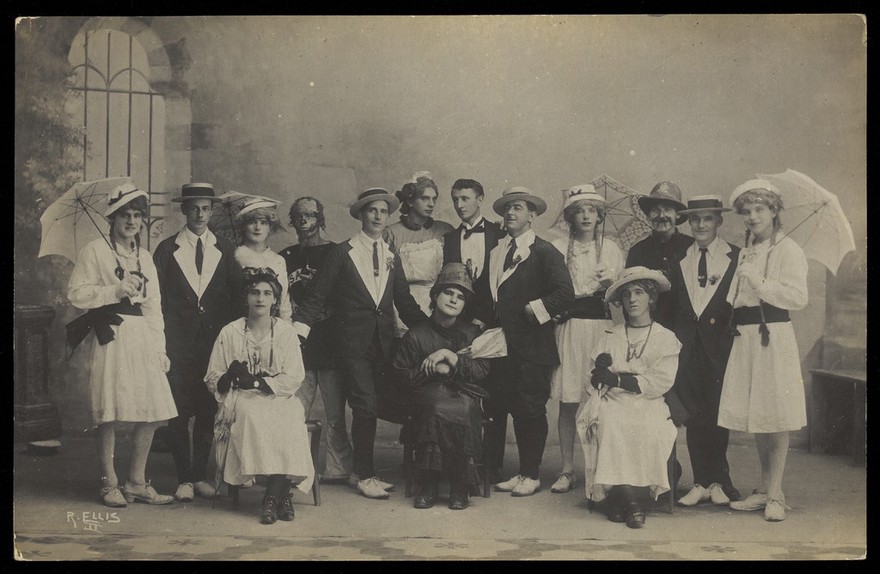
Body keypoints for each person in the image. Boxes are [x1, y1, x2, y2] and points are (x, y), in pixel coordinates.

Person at [293, 187, 428, 499]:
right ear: (361, 215)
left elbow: (404, 302)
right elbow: (316, 297)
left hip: (383, 345)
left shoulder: (392, 257)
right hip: (351, 346)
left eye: (383, 211)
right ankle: (365, 475)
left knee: (378, 404)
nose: (378, 216)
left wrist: (435, 331)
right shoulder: (342, 253)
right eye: (372, 211)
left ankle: (357, 472)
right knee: (364, 407)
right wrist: (296, 335)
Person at [67, 182, 177, 507]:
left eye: (136, 215)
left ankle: (137, 482)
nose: (131, 221)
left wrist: (160, 349)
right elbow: (76, 294)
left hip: (142, 335)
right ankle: (108, 482)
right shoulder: (95, 251)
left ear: (142, 220)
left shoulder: (144, 256)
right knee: (110, 411)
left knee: (151, 411)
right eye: (124, 215)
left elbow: (153, 305)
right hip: (111, 335)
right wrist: (114, 291)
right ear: (112, 219)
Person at [718, 180, 808, 522]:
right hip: (746, 337)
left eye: (760, 209)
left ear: (774, 212)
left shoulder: (788, 249)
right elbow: (736, 297)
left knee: (776, 414)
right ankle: (763, 487)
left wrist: (759, 281)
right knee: (759, 413)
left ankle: (776, 494)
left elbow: (798, 298)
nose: (753, 217)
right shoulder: (748, 250)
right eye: (747, 211)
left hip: (773, 337)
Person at [153, 182, 243, 502]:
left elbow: (236, 299)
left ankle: (200, 475)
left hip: (213, 344)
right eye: (194, 208)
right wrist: (161, 343)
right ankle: (183, 480)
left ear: (212, 210)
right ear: (183, 210)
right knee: (178, 411)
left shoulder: (227, 248)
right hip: (178, 343)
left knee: (208, 409)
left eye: (206, 208)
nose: (200, 214)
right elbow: (156, 300)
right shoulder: (167, 250)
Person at [204, 267, 315, 524]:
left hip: (279, 396)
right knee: (254, 414)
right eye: (254, 292)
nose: (260, 299)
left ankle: (272, 497)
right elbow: (212, 377)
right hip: (243, 398)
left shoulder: (286, 332)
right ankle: (283, 494)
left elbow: (294, 377)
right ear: (246, 297)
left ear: (276, 299)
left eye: (267, 293)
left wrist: (257, 380)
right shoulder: (230, 332)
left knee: (291, 414)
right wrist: (229, 376)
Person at [576, 267, 681, 529]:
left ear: (651, 298)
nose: (632, 299)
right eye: (626, 295)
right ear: (620, 302)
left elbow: (660, 381)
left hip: (648, 400)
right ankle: (631, 501)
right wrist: (599, 373)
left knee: (649, 425)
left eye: (639, 292)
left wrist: (620, 379)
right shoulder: (610, 335)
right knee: (610, 421)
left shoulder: (665, 338)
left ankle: (620, 500)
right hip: (612, 400)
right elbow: (592, 380)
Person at [488, 186, 574, 497]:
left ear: (532, 215)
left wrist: (534, 308)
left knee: (530, 409)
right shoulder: (497, 252)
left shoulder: (545, 252)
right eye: (507, 208)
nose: (511, 213)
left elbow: (565, 293)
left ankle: (531, 474)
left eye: (519, 208)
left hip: (534, 347)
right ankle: (520, 471)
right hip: (504, 347)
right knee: (510, 405)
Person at [391, 263, 491, 510]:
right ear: (435, 295)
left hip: (465, 395)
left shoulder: (472, 334)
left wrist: (451, 358)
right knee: (435, 406)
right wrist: (435, 369)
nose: (454, 300)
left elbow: (482, 371)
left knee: (465, 408)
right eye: (448, 293)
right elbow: (401, 378)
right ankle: (430, 482)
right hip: (425, 398)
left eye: (461, 297)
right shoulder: (416, 335)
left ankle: (460, 485)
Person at [547, 185, 623, 494]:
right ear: (570, 216)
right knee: (568, 400)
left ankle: (598, 469)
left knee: (600, 399)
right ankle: (567, 468)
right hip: (569, 327)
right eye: (580, 210)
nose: (587, 215)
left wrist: (611, 283)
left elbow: (619, 300)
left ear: (600, 215)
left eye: (592, 210)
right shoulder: (558, 247)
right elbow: (550, 288)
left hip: (599, 327)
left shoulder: (612, 250)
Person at [670, 195, 742, 506]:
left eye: (708, 218)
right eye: (695, 219)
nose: (700, 224)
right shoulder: (680, 259)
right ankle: (700, 481)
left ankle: (719, 481)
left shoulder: (735, 257)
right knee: (695, 415)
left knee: (717, 413)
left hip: (720, 347)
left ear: (718, 222)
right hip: (689, 348)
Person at [279, 196, 354, 484]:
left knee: (335, 413)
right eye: (298, 215)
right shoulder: (285, 256)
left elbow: (347, 296)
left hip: (331, 340)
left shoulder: (336, 252)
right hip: (300, 344)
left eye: (311, 214)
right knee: (296, 411)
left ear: (321, 219)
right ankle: (292, 467)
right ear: (292, 220)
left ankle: (338, 469)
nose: (304, 219)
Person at [441, 178, 508, 483]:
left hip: (492, 325)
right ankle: (456, 460)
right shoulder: (451, 238)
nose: (459, 205)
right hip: (459, 326)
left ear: (480, 198)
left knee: (494, 395)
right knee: (458, 388)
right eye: (455, 199)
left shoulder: (499, 233)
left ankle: (490, 465)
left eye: (466, 198)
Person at [383, 172, 455, 338]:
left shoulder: (445, 230)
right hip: (402, 306)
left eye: (434, 199)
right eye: (424, 198)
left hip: (438, 304)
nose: (431, 204)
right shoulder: (391, 233)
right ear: (409, 200)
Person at [625, 181, 694, 329]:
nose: (662, 215)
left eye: (668, 209)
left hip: (686, 331)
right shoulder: (637, 251)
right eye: (655, 210)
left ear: (677, 215)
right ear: (649, 215)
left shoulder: (691, 247)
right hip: (649, 330)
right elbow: (629, 297)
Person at [233, 196, 292, 321]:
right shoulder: (234, 257)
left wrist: (287, 329)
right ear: (244, 226)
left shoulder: (278, 260)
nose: (258, 227)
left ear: (270, 228)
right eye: (252, 222)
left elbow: (284, 303)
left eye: (263, 222)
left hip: (272, 327)